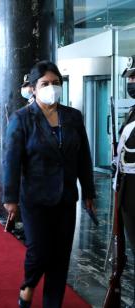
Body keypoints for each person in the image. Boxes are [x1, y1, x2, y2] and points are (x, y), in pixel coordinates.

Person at [2, 61, 95, 308]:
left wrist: (88, 191)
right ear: (33, 88)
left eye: (56, 83)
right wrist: (10, 198)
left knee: (60, 256)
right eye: (45, 84)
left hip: (65, 196)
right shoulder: (22, 118)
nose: (51, 88)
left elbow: (83, 155)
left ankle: (52, 303)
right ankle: (28, 286)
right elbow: (11, 159)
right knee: (39, 251)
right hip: (34, 198)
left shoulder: (73, 117)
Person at [114, 57, 135, 304]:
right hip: (128, 188)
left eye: (134, 77)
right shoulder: (132, 111)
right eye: (130, 77)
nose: (131, 82)